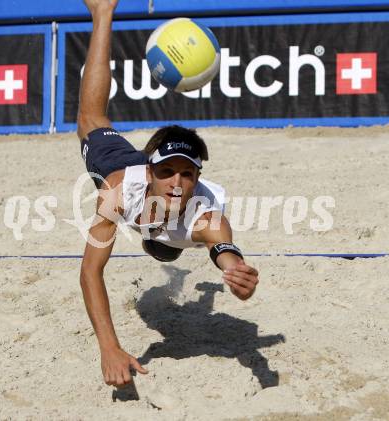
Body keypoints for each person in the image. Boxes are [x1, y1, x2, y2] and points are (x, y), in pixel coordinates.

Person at [78, 0, 260, 389]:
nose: (177, 182)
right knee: (90, 121)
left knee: (163, 246)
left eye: (187, 173)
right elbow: (91, 272)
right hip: (129, 184)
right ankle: (103, 11)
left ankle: (161, 247)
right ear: (149, 171)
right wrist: (109, 347)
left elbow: (223, 248)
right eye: (166, 172)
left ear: (198, 176)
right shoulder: (118, 188)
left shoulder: (204, 213)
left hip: (171, 233)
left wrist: (234, 271)